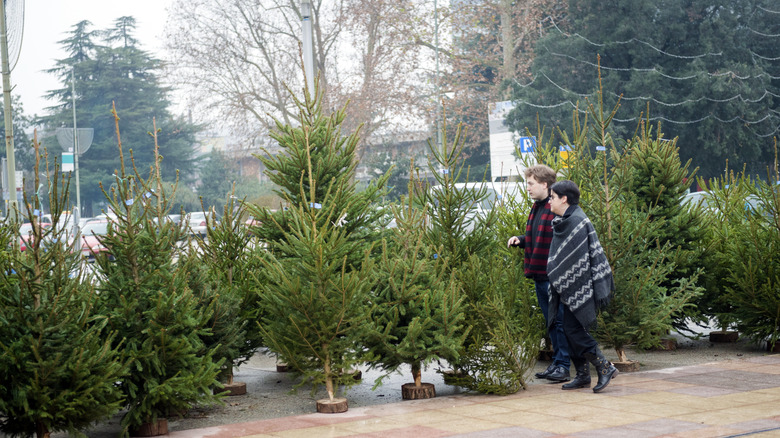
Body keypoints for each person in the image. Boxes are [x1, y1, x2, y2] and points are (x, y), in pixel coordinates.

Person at [547, 180, 618, 392]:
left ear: (564, 198)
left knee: (572, 329)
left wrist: (565, 277)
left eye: (552, 197)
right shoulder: (565, 219)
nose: (550, 201)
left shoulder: (576, 221)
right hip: (572, 285)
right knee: (570, 330)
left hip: (581, 285)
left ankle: (604, 367)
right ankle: (583, 375)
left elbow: (577, 259)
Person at [508, 165, 571, 383]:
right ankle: (557, 363)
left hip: (552, 277)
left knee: (559, 321)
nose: (528, 188)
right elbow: (537, 237)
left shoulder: (553, 209)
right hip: (539, 275)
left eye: (531, 183)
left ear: (545, 184)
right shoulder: (537, 207)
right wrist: (521, 240)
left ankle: (564, 365)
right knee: (551, 321)